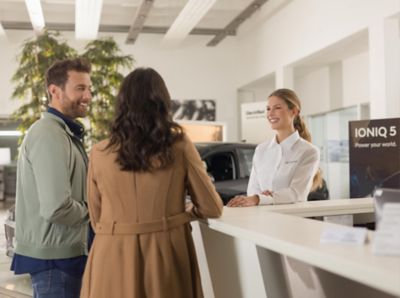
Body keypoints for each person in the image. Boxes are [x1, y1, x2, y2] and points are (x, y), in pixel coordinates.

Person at [80, 67, 223, 298]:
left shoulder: (99, 152)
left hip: (111, 253)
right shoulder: (179, 145)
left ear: (122, 104)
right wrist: (186, 213)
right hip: (164, 250)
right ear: (163, 102)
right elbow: (212, 207)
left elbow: (96, 219)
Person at [11, 58, 92, 298]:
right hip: (56, 263)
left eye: (89, 89)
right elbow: (57, 208)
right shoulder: (49, 135)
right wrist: (96, 210)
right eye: (80, 88)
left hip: (61, 257)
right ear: (54, 91)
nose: (88, 96)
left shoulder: (63, 133)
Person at [227, 88, 320, 207]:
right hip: (262, 218)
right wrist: (258, 198)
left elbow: (297, 193)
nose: (270, 114)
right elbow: (253, 190)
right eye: (268, 109)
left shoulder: (308, 151)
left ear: (294, 111)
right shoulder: (261, 149)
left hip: (293, 219)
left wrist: (260, 198)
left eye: (277, 108)